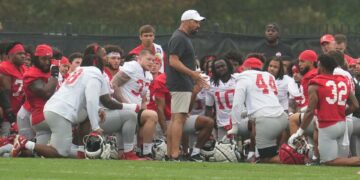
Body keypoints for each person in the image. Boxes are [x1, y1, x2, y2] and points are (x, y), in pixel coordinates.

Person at [11, 54, 139, 158]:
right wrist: (95, 126)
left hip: (50, 110)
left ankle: (81, 150)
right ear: (100, 67)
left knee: (40, 153)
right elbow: (92, 100)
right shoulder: (95, 73)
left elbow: (82, 98)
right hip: (60, 113)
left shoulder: (79, 71)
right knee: (60, 152)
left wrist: (98, 110)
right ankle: (24, 143)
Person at [289, 54, 360, 166]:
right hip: (343, 124)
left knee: (328, 161)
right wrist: (340, 113)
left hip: (327, 125)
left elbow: (310, 111)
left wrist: (299, 132)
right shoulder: (343, 80)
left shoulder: (316, 82)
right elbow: (355, 105)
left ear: (320, 66)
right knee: (341, 162)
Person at [165, 9, 208, 160]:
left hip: (181, 83)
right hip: (180, 83)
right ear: (187, 21)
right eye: (196, 22)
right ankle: (175, 154)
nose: (198, 25)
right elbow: (173, 61)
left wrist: (193, 77)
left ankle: (170, 153)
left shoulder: (182, 37)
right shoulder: (179, 38)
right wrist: (193, 74)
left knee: (176, 117)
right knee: (179, 118)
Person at [228, 57, 287, 163]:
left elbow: (237, 104)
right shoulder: (269, 76)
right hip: (282, 117)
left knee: (265, 159)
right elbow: (270, 100)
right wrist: (248, 112)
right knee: (270, 154)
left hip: (266, 120)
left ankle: (295, 162)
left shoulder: (244, 77)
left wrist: (235, 125)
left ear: (248, 68)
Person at [111, 49, 158, 158]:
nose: (151, 62)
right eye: (148, 59)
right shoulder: (133, 67)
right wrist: (126, 105)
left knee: (150, 118)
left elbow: (143, 98)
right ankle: (146, 151)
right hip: (122, 109)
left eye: (153, 60)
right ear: (139, 59)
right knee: (152, 115)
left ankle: (142, 149)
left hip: (135, 110)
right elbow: (113, 85)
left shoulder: (147, 74)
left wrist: (142, 110)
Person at [22, 44, 58, 145]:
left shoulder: (47, 71)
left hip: (46, 114)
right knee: (61, 149)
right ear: (36, 59)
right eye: (44, 59)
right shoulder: (31, 74)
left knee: (39, 151)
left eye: (49, 59)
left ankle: (6, 149)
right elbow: (46, 93)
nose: (47, 62)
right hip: (40, 115)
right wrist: (55, 76)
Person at [0, 42, 27, 136]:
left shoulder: (23, 68)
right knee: (5, 140)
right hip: (6, 116)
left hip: (18, 113)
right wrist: (11, 118)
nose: (23, 56)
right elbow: (4, 94)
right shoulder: (4, 68)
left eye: (24, 53)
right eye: (19, 53)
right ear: (10, 55)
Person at [205, 58, 236, 140]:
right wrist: (210, 127)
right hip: (222, 123)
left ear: (228, 66)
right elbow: (208, 107)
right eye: (218, 67)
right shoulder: (211, 85)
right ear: (214, 70)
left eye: (223, 66)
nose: (221, 69)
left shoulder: (237, 79)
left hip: (239, 121)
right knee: (224, 149)